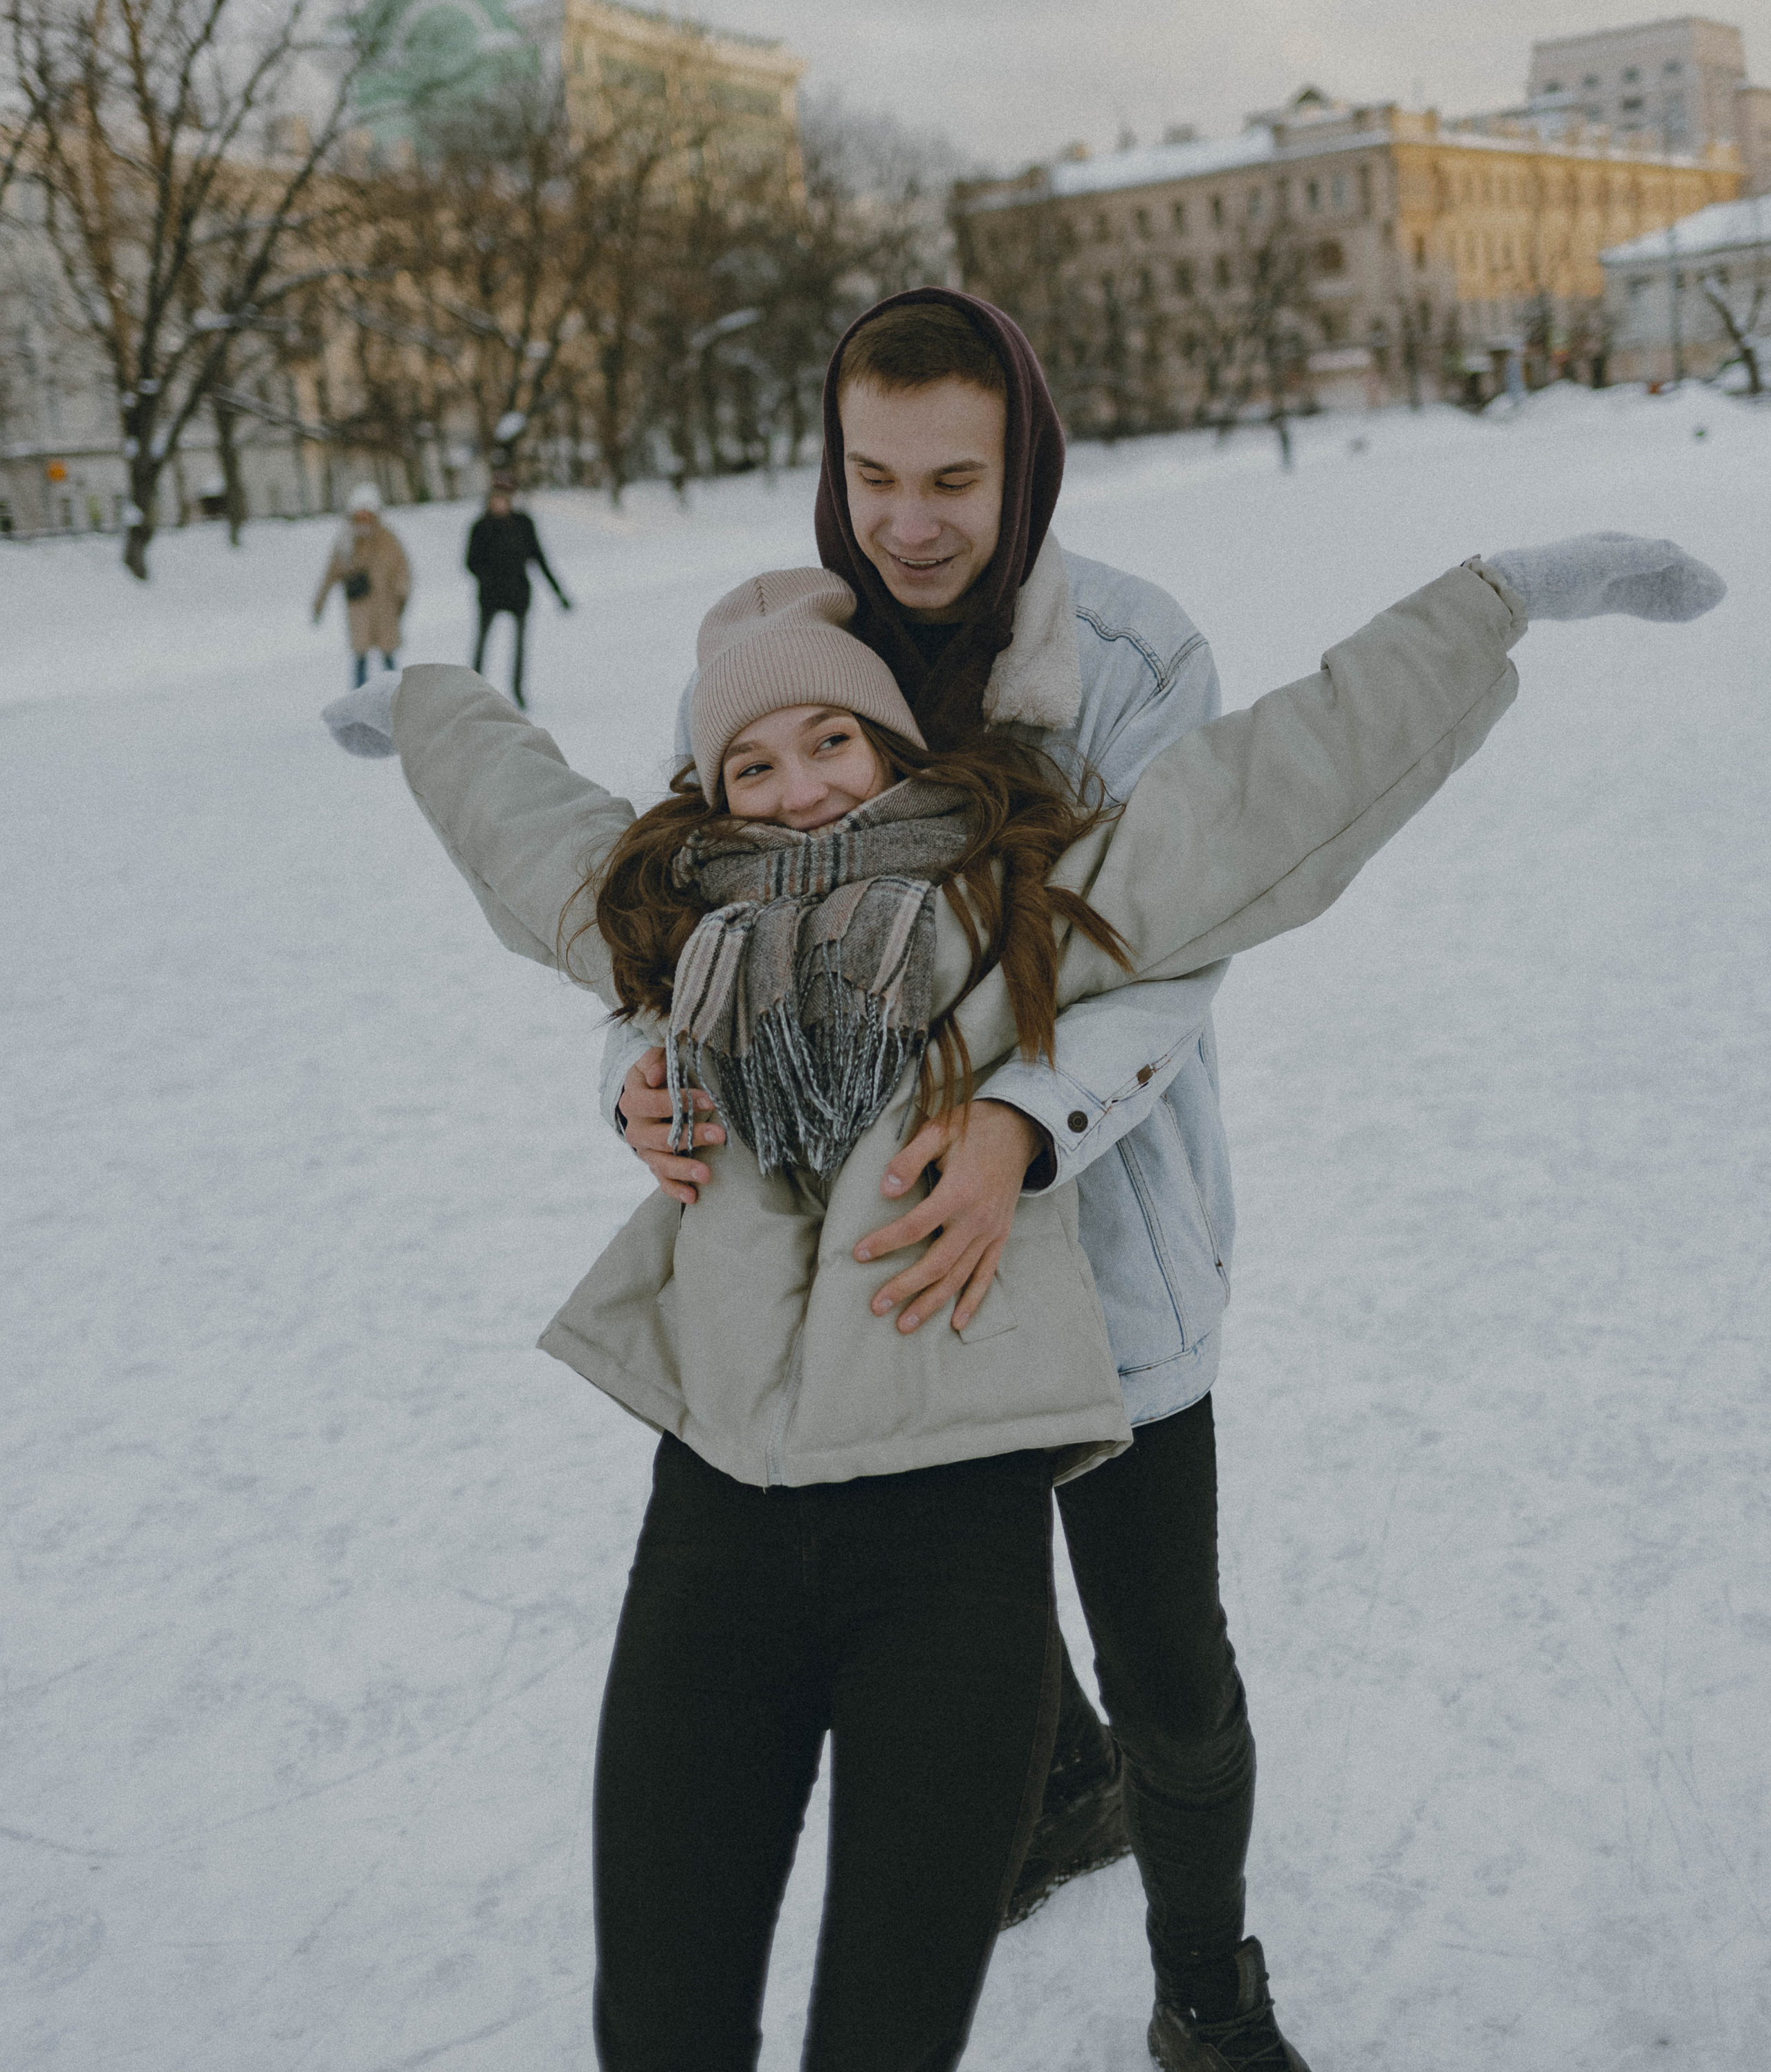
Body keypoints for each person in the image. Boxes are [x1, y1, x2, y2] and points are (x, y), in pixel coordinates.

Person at [324, 531, 1718, 2072]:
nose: (799, 791)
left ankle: (1203, 1988)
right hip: (720, 1503)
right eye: (753, 764)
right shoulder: (676, 938)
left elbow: (1278, 785)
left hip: (945, 1520)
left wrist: (1502, 599)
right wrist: (432, 710)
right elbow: (529, 825)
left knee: (937, 1964)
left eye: (832, 739)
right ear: (707, 796)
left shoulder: (1015, 909)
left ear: (896, 743)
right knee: (658, 2025)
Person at [466, 474, 571, 708]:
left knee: (520, 648)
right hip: (490, 596)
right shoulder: (481, 527)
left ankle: (518, 690)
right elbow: (471, 562)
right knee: (482, 645)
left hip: (519, 595)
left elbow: (539, 559)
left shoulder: (523, 524)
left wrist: (558, 592)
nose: (500, 504)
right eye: (496, 499)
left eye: (504, 499)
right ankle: (474, 692)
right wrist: (489, 577)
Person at [312, 484, 410, 687]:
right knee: (360, 659)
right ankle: (359, 701)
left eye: (367, 515)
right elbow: (330, 575)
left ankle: (396, 698)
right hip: (359, 610)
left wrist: (402, 593)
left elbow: (403, 568)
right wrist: (318, 604)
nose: (363, 520)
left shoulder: (387, 539)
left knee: (388, 657)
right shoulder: (346, 543)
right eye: (359, 516)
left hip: (385, 609)